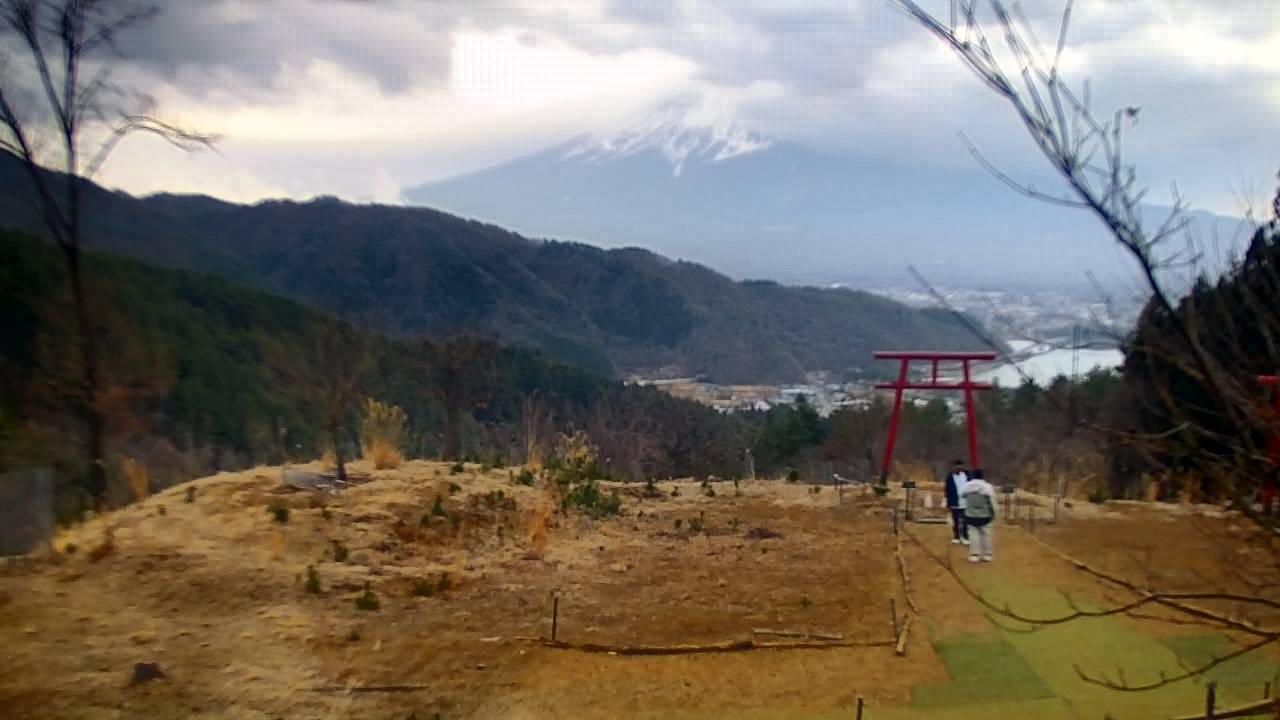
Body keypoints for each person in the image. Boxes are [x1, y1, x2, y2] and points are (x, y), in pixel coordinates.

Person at [963, 468, 998, 562]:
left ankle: (975, 554)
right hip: (985, 514)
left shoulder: (967, 486)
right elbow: (993, 502)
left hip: (970, 514)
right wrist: (995, 514)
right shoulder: (987, 487)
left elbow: (961, 495)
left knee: (973, 534)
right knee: (986, 535)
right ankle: (987, 554)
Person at [943, 460, 969, 545]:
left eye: (960, 466)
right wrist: (948, 501)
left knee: (966, 520)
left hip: (965, 501)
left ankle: (965, 536)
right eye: (957, 466)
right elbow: (947, 490)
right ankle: (957, 536)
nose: (959, 468)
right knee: (955, 520)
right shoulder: (950, 476)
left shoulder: (967, 475)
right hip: (954, 501)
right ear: (954, 467)